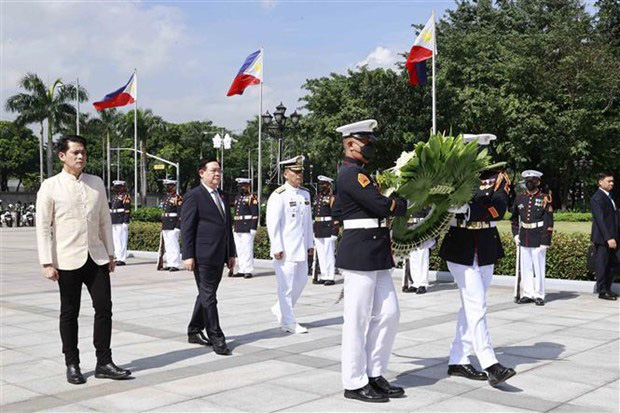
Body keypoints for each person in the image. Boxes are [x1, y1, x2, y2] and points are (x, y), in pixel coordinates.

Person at [35, 135, 131, 385]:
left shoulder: (96, 182)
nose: (81, 157)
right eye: (76, 152)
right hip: (66, 259)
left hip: (96, 256)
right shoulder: (50, 186)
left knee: (104, 307)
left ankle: (104, 361)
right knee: (69, 312)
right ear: (62, 156)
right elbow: (43, 226)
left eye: (84, 153)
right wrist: (47, 262)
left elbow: (104, 221)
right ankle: (72, 363)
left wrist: (111, 253)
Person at [333, 119, 408, 403]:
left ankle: (374, 372)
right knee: (357, 318)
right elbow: (380, 205)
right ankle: (354, 381)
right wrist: (402, 203)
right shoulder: (351, 174)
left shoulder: (363, 173)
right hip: (359, 252)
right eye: (366, 143)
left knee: (389, 313)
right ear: (351, 143)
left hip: (375, 251)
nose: (370, 148)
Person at [439, 133, 516, 387]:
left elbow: (499, 207)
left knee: (471, 306)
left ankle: (457, 360)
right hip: (460, 245)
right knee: (476, 305)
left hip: (485, 245)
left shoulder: (497, 176)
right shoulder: (451, 174)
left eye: (482, 151)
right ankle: (490, 363)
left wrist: (470, 209)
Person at [181, 159, 236, 355]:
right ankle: (216, 336)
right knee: (209, 297)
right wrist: (187, 255)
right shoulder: (193, 196)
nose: (217, 174)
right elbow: (187, 228)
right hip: (202, 255)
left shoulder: (222, 195)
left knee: (206, 294)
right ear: (201, 173)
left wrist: (231, 253)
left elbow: (227, 227)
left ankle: (194, 329)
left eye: (219, 171)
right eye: (213, 171)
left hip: (219, 254)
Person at [266, 155, 314, 334]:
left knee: (301, 282)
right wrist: (276, 247)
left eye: (300, 172)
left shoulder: (305, 194)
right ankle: (288, 322)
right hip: (286, 249)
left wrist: (310, 243)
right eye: (295, 172)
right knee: (285, 287)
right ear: (286, 174)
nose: (299, 175)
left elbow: (308, 222)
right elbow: (273, 223)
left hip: (301, 247)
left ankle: (280, 309)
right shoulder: (279, 195)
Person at [511, 170, 554, 306]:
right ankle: (528, 293)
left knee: (539, 267)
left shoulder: (544, 198)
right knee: (526, 267)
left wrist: (545, 240)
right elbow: (514, 218)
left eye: (533, 180)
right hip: (524, 236)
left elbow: (549, 221)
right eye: (527, 180)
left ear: (538, 182)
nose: (529, 182)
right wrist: (516, 234)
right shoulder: (519, 198)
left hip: (538, 235)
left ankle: (539, 294)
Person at [590, 172, 618, 301]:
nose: (611, 183)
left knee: (613, 264)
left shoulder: (609, 196)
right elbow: (600, 220)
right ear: (600, 182)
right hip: (603, 239)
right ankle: (602, 291)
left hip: (613, 236)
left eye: (612, 181)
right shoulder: (597, 197)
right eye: (609, 181)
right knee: (602, 264)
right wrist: (608, 238)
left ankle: (607, 288)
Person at [312, 175, 338, 286]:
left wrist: (334, 231)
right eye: (321, 184)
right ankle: (324, 275)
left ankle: (330, 276)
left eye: (324, 184)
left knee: (329, 253)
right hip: (318, 227)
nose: (322, 186)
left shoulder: (332, 198)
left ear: (329, 185)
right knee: (321, 254)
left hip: (328, 227)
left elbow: (336, 216)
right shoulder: (317, 197)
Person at [402, 209, 435, 294]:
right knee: (413, 258)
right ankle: (416, 283)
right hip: (410, 230)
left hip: (422, 231)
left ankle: (423, 284)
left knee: (422, 258)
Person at [231, 178, 259, 279]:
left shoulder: (252, 198)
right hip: (238, 226)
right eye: (239, 186)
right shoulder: (238, 197)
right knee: (240, 249)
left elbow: (255, 214)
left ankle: (248, 270)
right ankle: (242, 269)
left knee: (247, 249)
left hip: (247, 227)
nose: (240, 188)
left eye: (242, 186)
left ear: (247, 186)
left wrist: (253, 227)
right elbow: (236, 213)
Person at [160, 179, 183, 272]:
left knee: (174, 244)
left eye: (170, 186)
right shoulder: (166, 198)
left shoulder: (178, 198)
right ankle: (169, 263)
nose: (168, 187)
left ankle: (175, 264)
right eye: (167, 186)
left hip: (173, 224)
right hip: (166, 223)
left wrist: (178, 226)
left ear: (174, 186)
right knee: (168, 245)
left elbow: (180, 214)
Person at [110, 180, 131, 266]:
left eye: (118, 186)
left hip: (121, 220)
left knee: (122, 240)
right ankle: (118, 257)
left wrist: (125, 222)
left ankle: (122, 259)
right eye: (116, 186)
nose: (116, 188)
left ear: (122, 187)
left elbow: (127, 210)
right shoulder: (116, 197)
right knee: (116, 240)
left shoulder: (125, 196)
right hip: (115, 220)